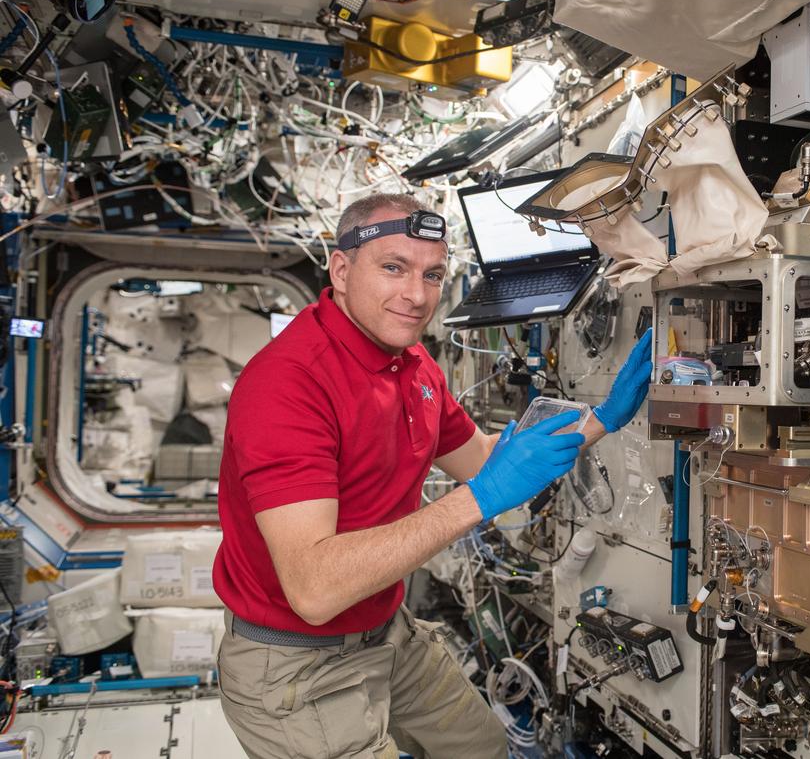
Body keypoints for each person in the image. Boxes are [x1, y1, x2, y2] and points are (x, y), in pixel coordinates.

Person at [213, 192, 653, 759]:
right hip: (296, 665)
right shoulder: (289, 384)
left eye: (433, 274)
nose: (416, 295)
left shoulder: (412, 363)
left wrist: (602, 420)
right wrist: (482, 498)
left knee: (485, 750)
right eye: (393, 268)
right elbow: (315, 590)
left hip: (385, 633)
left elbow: (482, 461)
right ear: (342, 269)